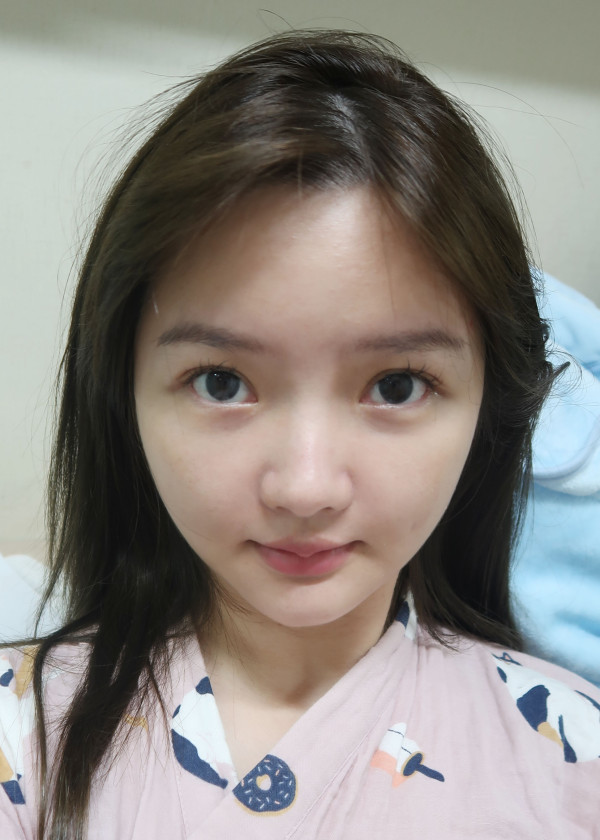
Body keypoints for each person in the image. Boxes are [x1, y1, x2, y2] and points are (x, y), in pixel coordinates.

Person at [1, 30, 598, 840]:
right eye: (222, 382)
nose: (306, 488)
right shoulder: (22, 737)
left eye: (396, 386)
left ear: (489, 404)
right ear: (122, 393)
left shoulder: (574, 759)